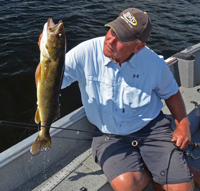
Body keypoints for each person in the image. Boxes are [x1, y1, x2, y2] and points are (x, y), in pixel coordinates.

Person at [36, 8, 200, 191]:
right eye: (112, 30)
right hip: (109, 134)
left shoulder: (154, 62)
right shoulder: (86, 51)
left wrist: (183, 124)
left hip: (151, 128)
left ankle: (168, 170)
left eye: (121, 38)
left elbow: (171, 93)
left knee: (182, 188)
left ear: (138, 47)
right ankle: (160, 170)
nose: (110, 39)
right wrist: (45, 60)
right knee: (126, 186)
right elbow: (47, 83)